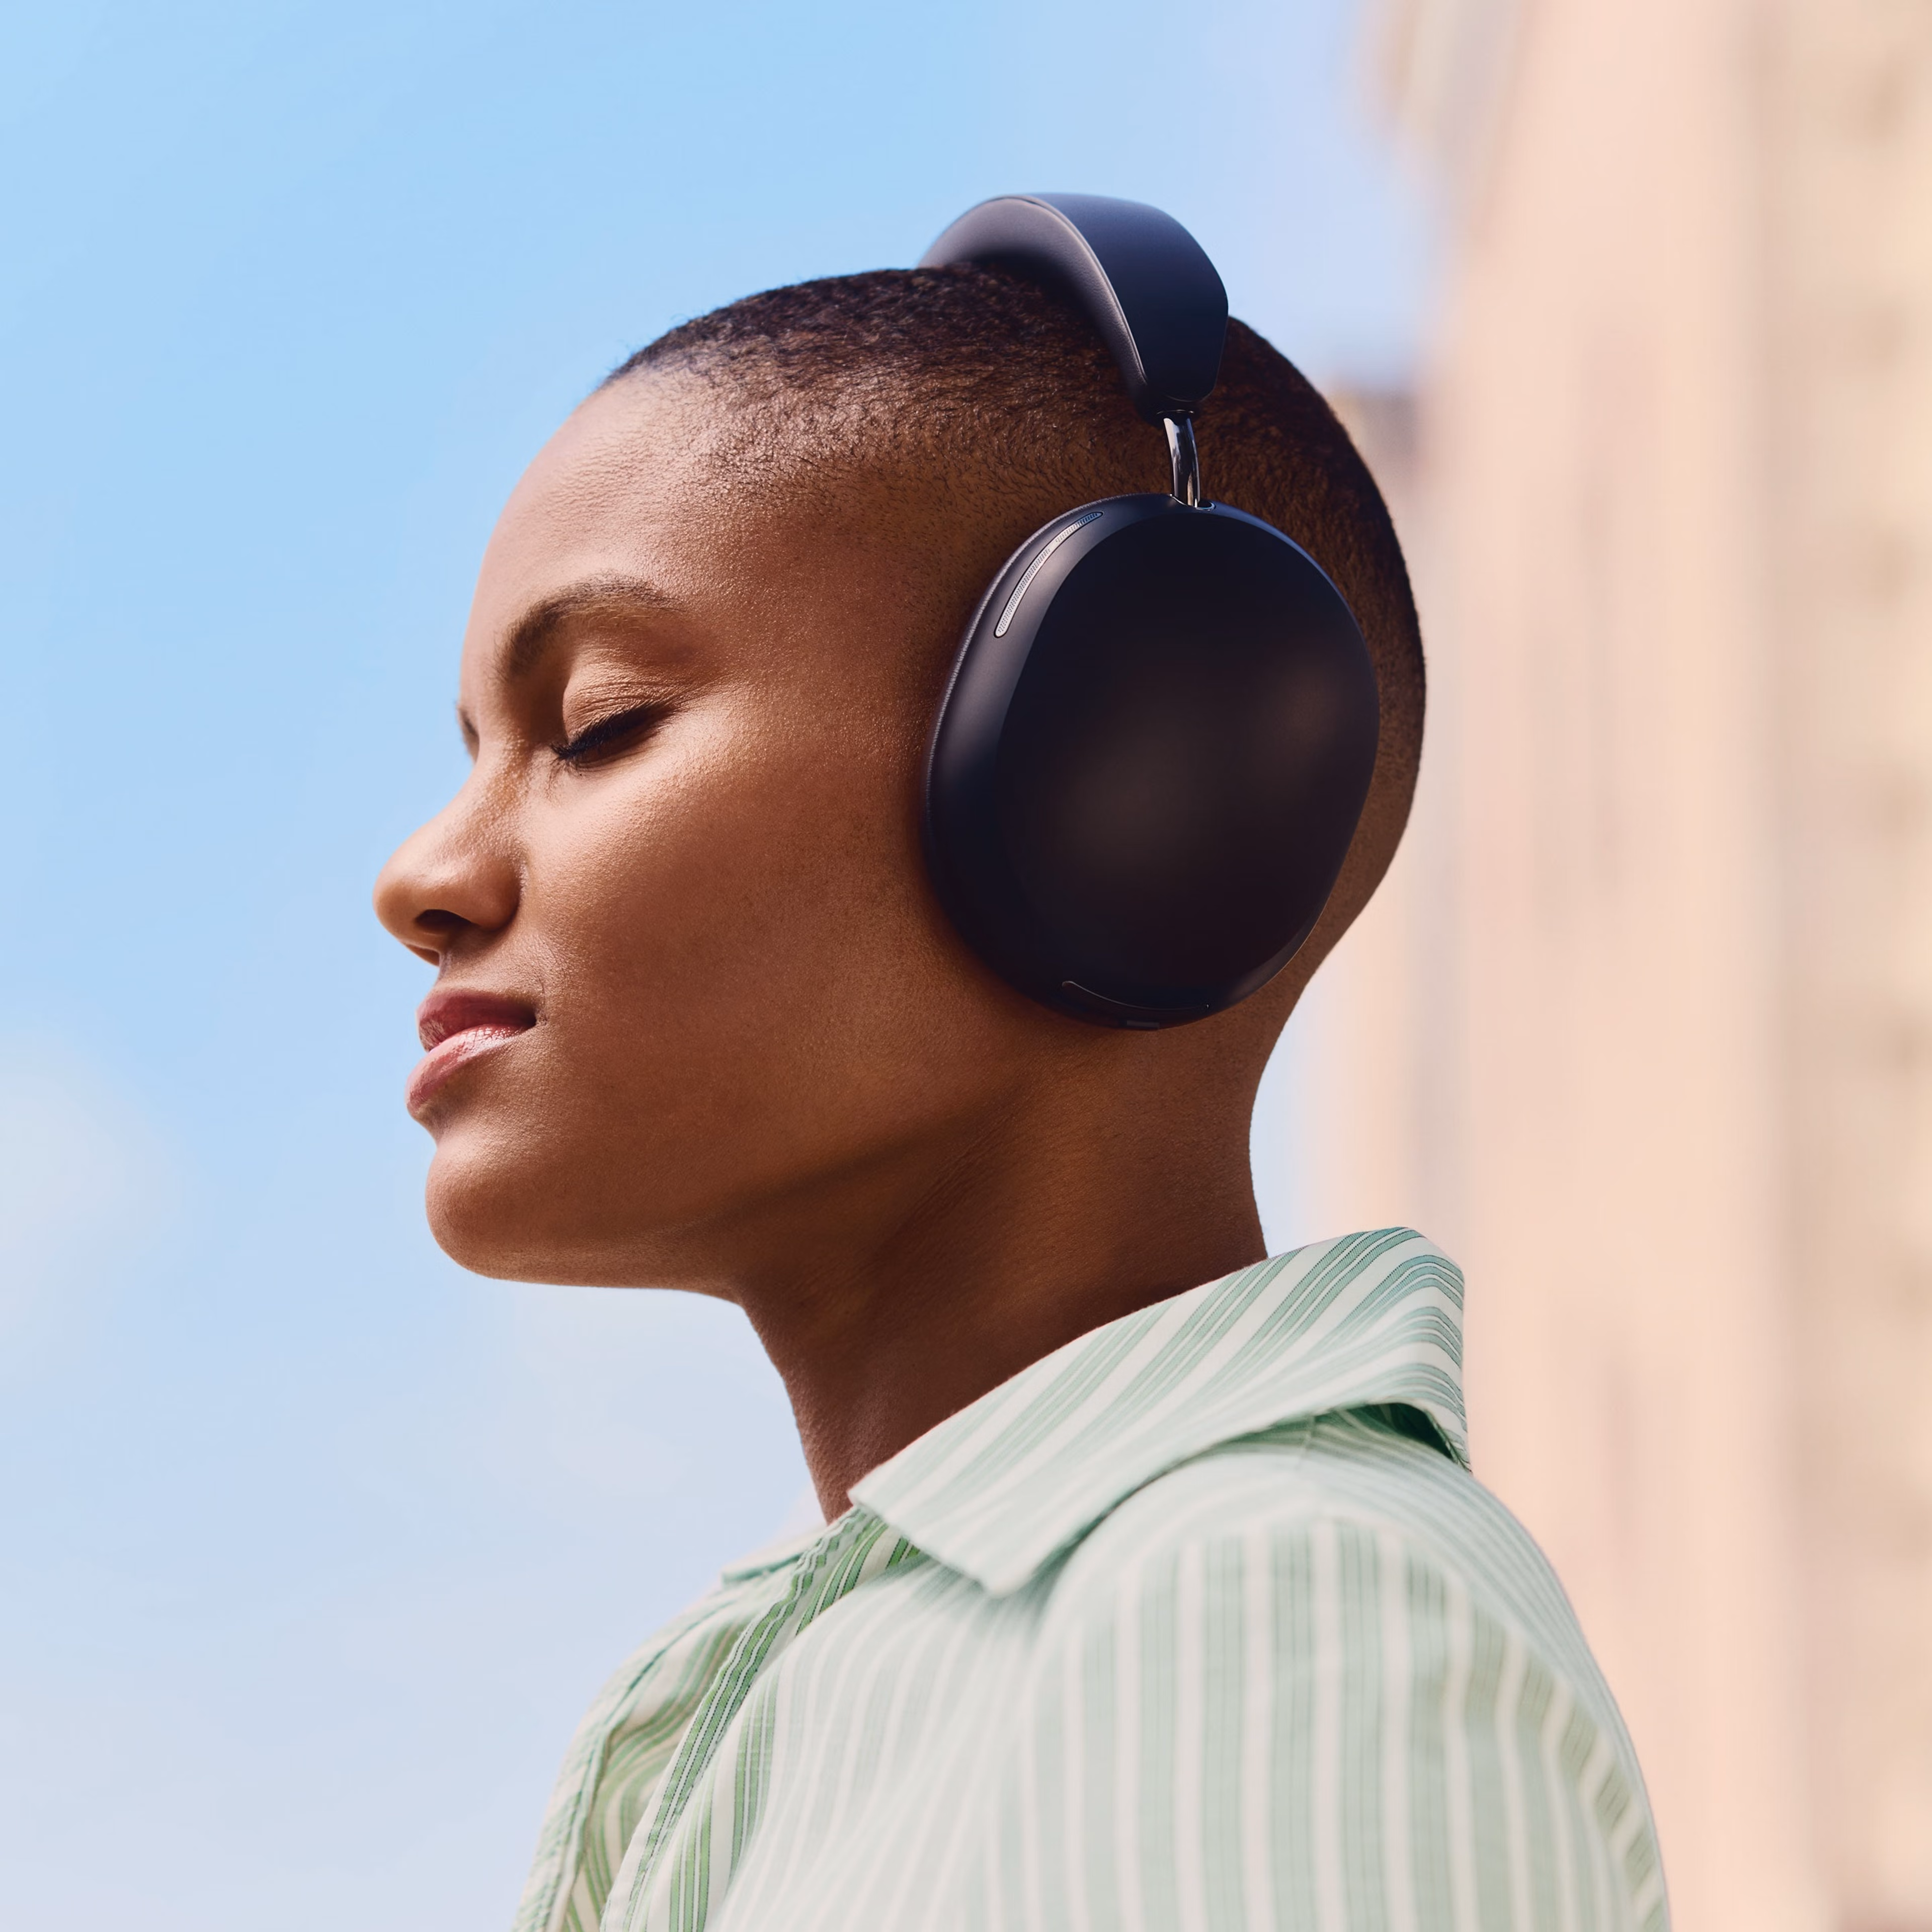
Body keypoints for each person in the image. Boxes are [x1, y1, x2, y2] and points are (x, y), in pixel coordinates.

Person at [374, 239, 1665, 1932]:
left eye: (600, 722)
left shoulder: (1264, 1627)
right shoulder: (869, 1695)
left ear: (1134, 773)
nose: (423, 876)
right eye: (470, 754)